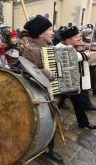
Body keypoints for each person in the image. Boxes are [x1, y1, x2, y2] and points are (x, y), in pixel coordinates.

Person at [22, 15, 63, 164]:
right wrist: (48, 74)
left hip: (50, 92)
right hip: (41, 95)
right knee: (46, 122)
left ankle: (47, 147)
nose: (53, 33)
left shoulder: (46, 47)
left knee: (52, 121)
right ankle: (47, 149)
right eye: (50, 30)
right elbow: (26, 74)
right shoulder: (31, 50)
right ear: (40, 34)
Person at [56, 26, 96, 129]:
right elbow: (73, 57)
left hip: (69, 82)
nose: (79, 39)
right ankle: (53, 122)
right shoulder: (59, 47)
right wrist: (85, 55)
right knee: (57, 103)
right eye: (76, 37)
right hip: (62, 82)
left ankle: (84, 123)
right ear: (68, 39)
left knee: (77, 102)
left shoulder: (69, 46)